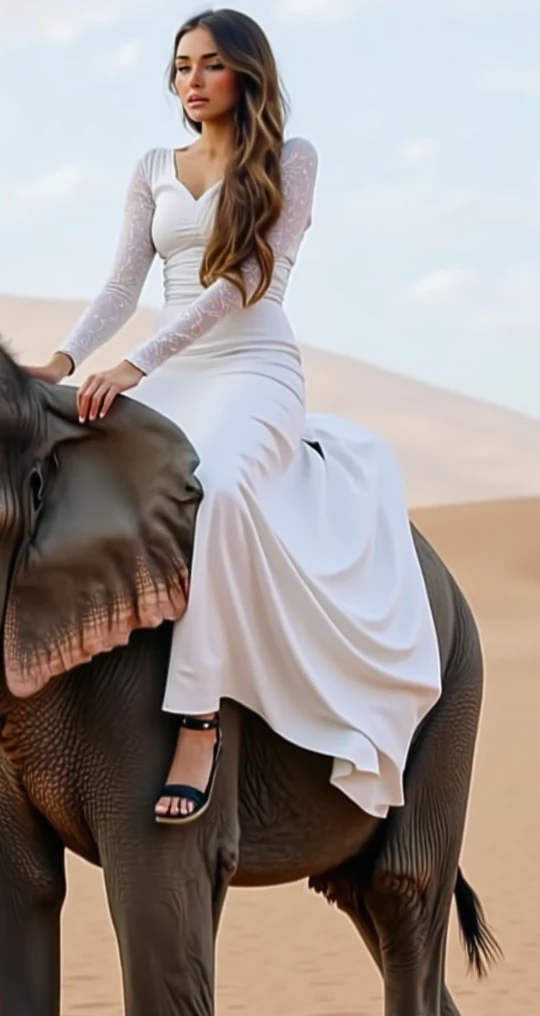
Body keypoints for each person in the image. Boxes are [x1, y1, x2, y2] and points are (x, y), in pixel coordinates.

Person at [23, 7, 442, 825]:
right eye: (181, 65)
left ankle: (198, 719)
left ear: (246, 73)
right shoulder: (151, 166)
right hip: (168, 370)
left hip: (252, 367)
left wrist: (139, 365)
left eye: (210, 64)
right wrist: (65, 361)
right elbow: (121, 286)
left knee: (215, 493)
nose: (192, 79)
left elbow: (249, 275)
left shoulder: (292, 159)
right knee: (53, 471)